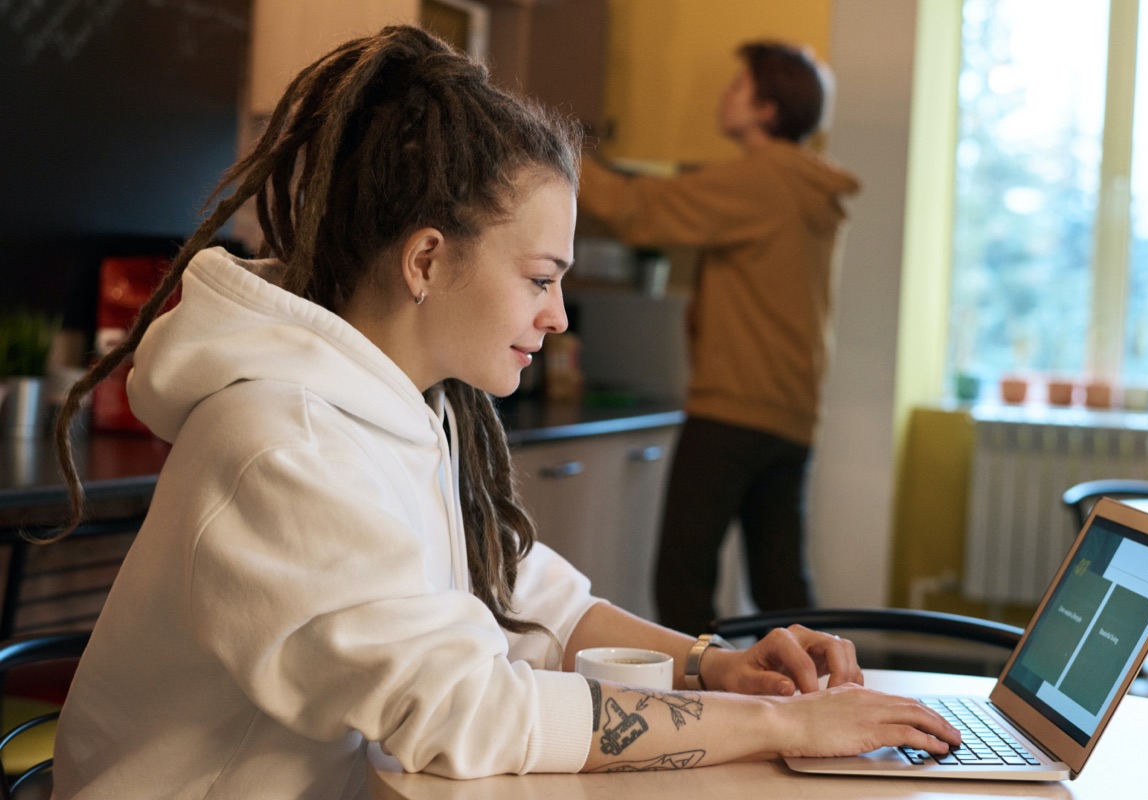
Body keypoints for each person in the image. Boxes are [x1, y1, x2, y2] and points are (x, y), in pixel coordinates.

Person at [48, 26, 955, 799]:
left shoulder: (405, 408)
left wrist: (713, 662)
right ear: (427, 260)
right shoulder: (288, 444)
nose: (558, 316)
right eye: (540, 279)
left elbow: (523, 593)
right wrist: (768, 726)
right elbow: (471, 715)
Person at [576, 42, 860, 635]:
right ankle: (823, 700)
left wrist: (550, 149)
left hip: (732, 409)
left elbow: (641, 212)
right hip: (791, 413)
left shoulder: (763, 178)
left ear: (766, 108)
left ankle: (700, 710)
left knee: (682, 581)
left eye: (738, 86)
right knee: (781, 587)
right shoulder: (807, 185)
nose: (724, 94)